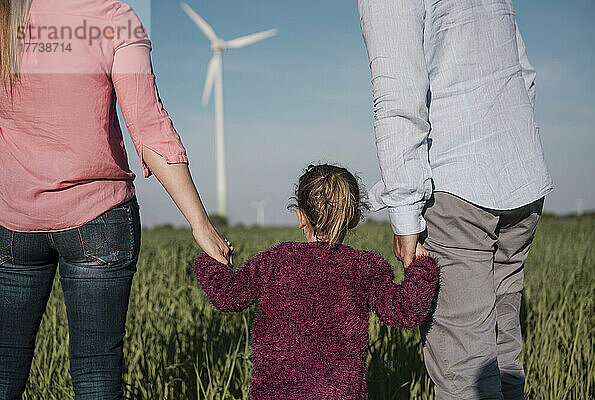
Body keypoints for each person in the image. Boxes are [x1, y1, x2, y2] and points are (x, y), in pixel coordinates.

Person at [0, 1, 232, 398]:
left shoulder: (8, 15)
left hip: (13, 223)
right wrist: (200, 223)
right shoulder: (114, 17)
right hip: (99, 219)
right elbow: (149, 126)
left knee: (4, 367)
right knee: (96, 372)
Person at [359, 0, 553, 399]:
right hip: (522, 176)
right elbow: (524, 74)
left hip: (457, 187)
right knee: (504, 362)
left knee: (467, 378)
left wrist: (405, 214)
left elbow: (398, 99)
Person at [192, 164, 439, 399]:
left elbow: (227, 296)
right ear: (353, 218)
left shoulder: (275, 260)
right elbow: (405, 311)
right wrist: (422, 266)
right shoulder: (364, 267)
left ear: (300, 216)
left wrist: (212, 260)